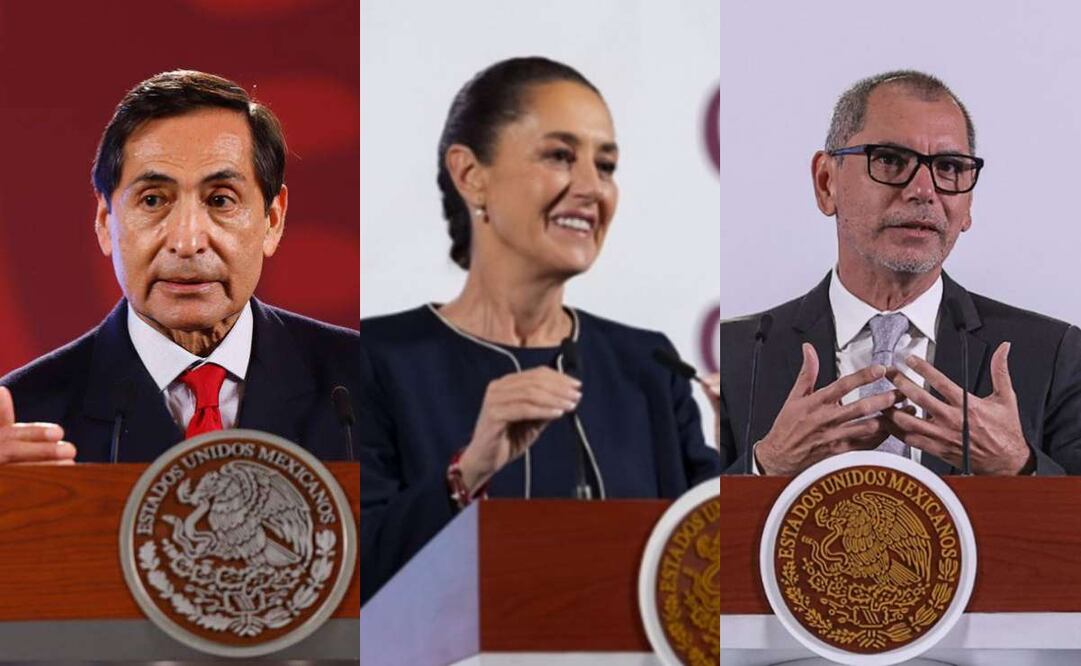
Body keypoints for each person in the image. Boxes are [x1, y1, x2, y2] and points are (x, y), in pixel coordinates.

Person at [359, 57, 721, 602]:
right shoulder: (375, 359)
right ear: (470, 175)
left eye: (606, 166)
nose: (591, 188)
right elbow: (351, 577)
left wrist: (753, 459)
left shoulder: (647, 364)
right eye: (559, 156)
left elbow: (711, 577)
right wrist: (469, 469)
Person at [719, 70, 1081, 477]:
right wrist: (765, 466)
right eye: (890, 160)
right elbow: (682, 528)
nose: (923, 190)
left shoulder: (1053, 355)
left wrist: (1019, 466)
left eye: (948, 167)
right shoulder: (736, 353)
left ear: (968, 203)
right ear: (826, 183)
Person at [0, 70, 359, 463]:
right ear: (105, 222)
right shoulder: (25, 423)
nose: (187, 243)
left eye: (221, 200)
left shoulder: (367, 387)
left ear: (272, 221)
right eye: (153, 200)